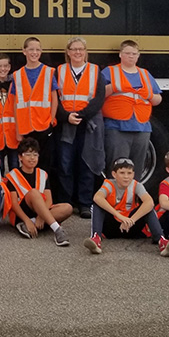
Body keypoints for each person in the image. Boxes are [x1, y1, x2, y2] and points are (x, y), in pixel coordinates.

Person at [55, 37, 105, 217]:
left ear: (85, 52)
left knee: (87, 164)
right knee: (65, 165)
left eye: (81, 49)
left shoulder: (95, 70)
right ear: (68, 52)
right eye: (74, 49)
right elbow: (54, 98)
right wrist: (65, 116)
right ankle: (66, 202)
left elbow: (99, 98)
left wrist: (82, 115)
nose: (77, 52)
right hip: (66, 124)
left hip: (88, 124)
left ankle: (85, 204)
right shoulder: (59, 71)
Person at [102, 39, 162, 173]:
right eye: (127, 53)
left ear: (138, 55)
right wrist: (113, 87)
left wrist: (150, 96)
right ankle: (115, 194)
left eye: (134, 54)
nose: (131, 56)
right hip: (116, 127)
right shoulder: (110, 71)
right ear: (120, 54)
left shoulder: (145, 74)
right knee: (117, 169)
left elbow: (158, 99)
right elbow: (98, 94)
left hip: (141, 127)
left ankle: (133, 194)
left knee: (136, 170)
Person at [85, 157, 163, 254]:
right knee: (96, 206)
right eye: (122, 173)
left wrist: (132, 220)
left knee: (148, 208)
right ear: (114, 174)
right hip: (112, 227)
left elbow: (149, 202)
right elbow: (97, 197)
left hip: (130, 226)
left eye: (129, 173)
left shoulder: (137, 185)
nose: (126, 176)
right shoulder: (109, 184)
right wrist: (120, 216)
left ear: (133, 174)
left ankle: (161, 240)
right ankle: (96, 239)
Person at [3, 137, 72, 246]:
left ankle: (33, 224)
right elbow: (14, 204)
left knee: (67, 208)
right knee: (34, 192)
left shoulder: (42, 174)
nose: (32, 158)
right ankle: (57, 230)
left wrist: (41, 216)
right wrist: (26, 219)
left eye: (35, 155)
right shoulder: (12, 176)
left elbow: (49, 200)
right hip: (22, 212)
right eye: (28, 154)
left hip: (39, 211)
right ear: (20, 157)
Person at [10, 37, 59, 171]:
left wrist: (51, 120)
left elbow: (55, 98)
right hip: (26, 128)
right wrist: (18, 130)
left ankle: (44, 191)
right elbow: (16, 103)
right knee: (27, 164)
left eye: (37, 49)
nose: (34, 52)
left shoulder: (49, 72)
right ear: (24, 51)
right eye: (31, 49)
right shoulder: (17, 75)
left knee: (45, 163)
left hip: (44, 125)